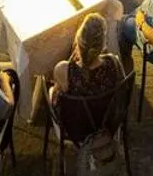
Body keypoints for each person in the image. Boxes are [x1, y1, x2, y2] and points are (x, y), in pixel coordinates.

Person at [50, 12, 124, 144]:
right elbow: (121, 91)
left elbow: (56, 99)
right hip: (106, 126)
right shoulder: (114, 62)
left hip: (75, 130)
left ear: (78, 40)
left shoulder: (63, 69)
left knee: (51, 90)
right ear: (103, 44)